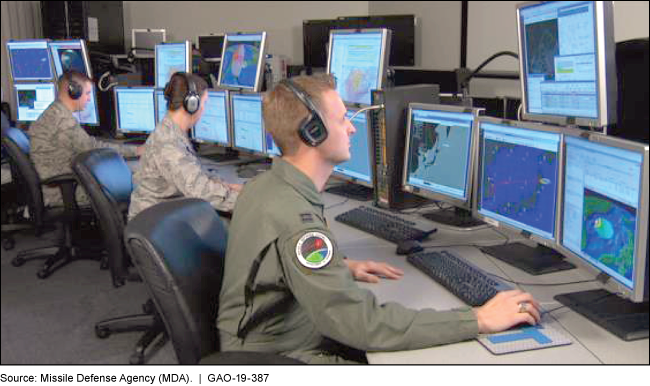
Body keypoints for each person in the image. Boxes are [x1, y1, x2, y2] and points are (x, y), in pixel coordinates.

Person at [217, 74, 542, 364]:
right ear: (312, 132)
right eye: (343, 118)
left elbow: (275, 263)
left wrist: (337, 267)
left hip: (267, 334)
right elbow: (363, 325)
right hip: (276, 356)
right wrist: (478, 319)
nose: (352, 127)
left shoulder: (265, 186)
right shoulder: (299, 223)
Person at [128, 72, 241, 220]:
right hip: (153, 227)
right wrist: (249, 200)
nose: (204, 110)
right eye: (204, 103)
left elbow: (195, 176)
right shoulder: (168, 144)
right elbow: (201, 191)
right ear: (192, 105)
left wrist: (230, 187)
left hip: (160, 217)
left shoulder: (171, 131)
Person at [29, 71, 141, 208]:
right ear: (74, 92)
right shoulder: (64, 122)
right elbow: (94, 149)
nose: (89, 99)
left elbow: (88, 145)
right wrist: (136, 150)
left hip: (55, 187)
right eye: (87, 93)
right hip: (63, 193)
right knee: (135, 186)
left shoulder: (54, 112)